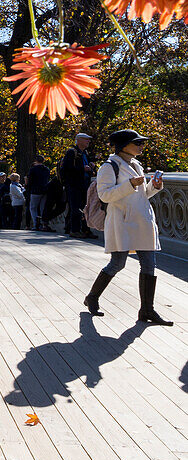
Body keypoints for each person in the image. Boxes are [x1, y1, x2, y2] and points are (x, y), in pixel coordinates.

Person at [84, 130, 171, 325]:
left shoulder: (136, 164)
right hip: (122, 221)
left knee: (149, 265)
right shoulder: (109, 166)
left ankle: (147, 310)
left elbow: (142, 195)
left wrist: (154, 186)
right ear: (123, 145)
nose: (141, 145)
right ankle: (92, 297)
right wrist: (130, 184)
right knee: (117, 264)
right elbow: (105, 196)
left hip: (142, 221)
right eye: (137, 142)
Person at [60, 132, 94, 238]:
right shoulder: (71, 152)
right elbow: (67, 168)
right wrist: (82, 169)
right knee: (75, 208)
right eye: (86, 139)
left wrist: (91, 167)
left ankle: (85, 230)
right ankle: (74, 230)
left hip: (84, 185)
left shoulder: (85, 153)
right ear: (78, 140)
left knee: (85, 208)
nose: (88, 141)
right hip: (74, 185)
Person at [26, 155, 52, 231]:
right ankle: (43, 223)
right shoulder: (46, 169)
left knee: (33, 208)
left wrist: (28, 189)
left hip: (35, 191)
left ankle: (36, 223)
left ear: (36, 161)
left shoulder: (33, 169)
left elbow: (30, 181)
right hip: (44, 190)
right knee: (42, 208)